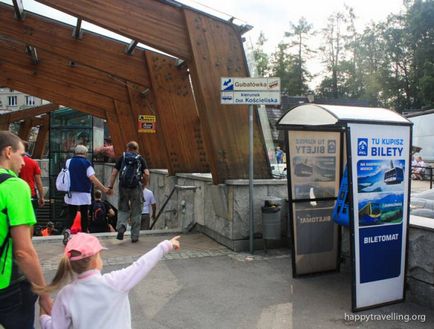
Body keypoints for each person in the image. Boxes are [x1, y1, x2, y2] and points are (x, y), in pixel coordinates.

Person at [37, 233, 180, 329]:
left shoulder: (66, 294)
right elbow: (141, 265)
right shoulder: (114, 282)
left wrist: (43, 316)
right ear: (94, 260)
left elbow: (56, 327)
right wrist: (166, 245)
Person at [0, 131, 52, 329]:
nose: (24, 162)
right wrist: (44, 295)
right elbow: (23, 251)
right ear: (8, 152)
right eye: (22, 155)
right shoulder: (15, 187)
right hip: (9, 284)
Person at [107, 141, 149, 243]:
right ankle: (134, 236)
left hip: (123, 187)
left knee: (123, 208)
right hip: (136, 187)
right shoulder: (140, 159)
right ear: (137, 149)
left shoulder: (123, 157)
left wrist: (110, 186)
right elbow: (147, 174)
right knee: (136, 211)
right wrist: (144, 185)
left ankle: (121, 226)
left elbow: (114, 173)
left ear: (127, 148)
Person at [64, 145, 110, 233]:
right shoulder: (86, 163)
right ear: (85, 153)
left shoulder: (68, 162)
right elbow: (92, 178)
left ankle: (67, 230)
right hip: (84, 192)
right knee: (84, 213)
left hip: (71, 191)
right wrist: (103, 189)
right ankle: (84, 232)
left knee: (71, 213)